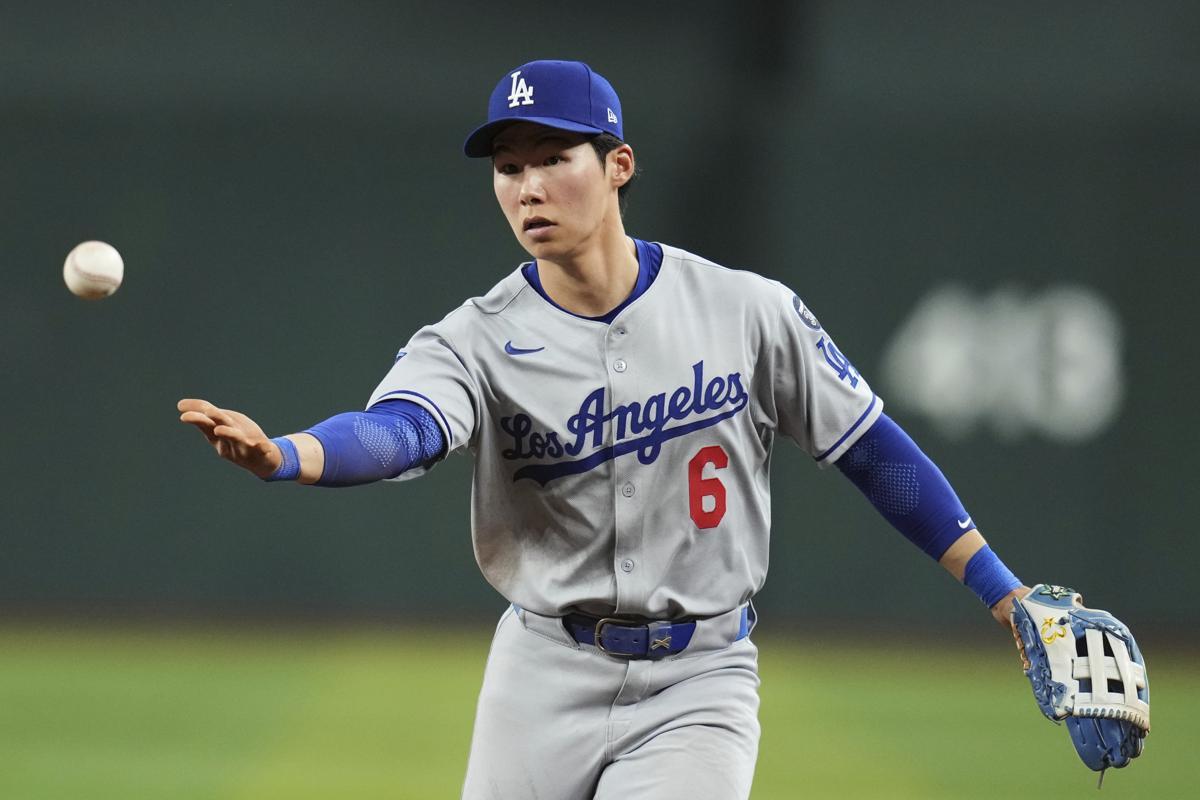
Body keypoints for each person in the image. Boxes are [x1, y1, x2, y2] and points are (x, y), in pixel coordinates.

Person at [179, 59, 1028, 799]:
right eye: (509, 167)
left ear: (618, 164)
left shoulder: (745, 309)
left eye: (554, 158)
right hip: (541, 673)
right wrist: (290, 455)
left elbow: (873, 451)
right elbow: (401, 431)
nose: (529, 187)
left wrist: (1002, 590)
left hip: (700, 677)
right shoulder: (473, 338)